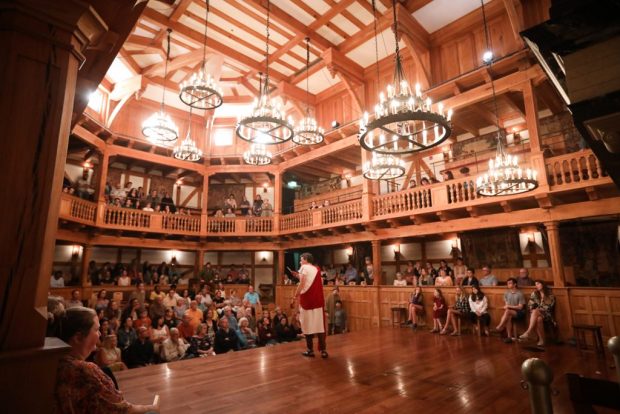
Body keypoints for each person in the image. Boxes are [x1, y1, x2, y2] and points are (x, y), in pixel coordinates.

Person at [54, 307, 160, 413]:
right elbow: (123, 410)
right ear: (78, 338)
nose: (100, 334)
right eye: (96, 330)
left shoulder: (53, 362)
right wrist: (151, 408)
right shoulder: (84, 370)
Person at [291, 252, 328, 358]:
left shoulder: (304, 267)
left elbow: (302, 284)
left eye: (301, 259)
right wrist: (298, 275)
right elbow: (309, 281)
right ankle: (323, 351)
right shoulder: (316, 269)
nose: (300, 261)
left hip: (307, 300)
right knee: (319, 327)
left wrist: (295, 295)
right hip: (317, 301)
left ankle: (310, 350)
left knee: (307, 326)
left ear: (306, 259)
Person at [519, 280, 556, 347]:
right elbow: (530, 303)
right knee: (538, 319)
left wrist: (537, 309)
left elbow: (548, 307)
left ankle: (528, 332)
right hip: (536, 314)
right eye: (536, 284)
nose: (537, 285)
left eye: (538, 284)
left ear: (543, 284)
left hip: (547, 315)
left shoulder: (549, 294)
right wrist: (532, 308)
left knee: (535, 312)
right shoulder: (535, 293)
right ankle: (542, 340)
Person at [494, 277, 526, 343]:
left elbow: (520, 307)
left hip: (519, 312)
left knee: (508, 312)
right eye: (507, 283)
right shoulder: (506, 293)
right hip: (510, 311)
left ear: (515, 284)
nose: (508, 284)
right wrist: (507, 306)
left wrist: (508, 306)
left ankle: (500, 326)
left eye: (510, 283)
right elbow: (507, 304)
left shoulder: (520, 293)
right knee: (508, 315)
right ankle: (509, 337)